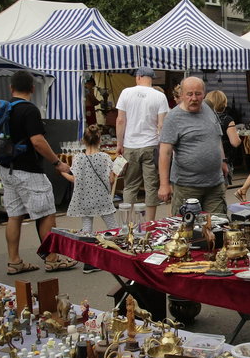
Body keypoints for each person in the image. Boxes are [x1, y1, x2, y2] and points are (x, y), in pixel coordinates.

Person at [0, 71, 78, 275]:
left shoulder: (5, 109)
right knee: (46, 213)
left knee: (14, 215)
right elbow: (37, 141)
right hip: (29, 170)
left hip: (7, 169)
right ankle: (52, 259)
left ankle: (14, 261)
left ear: (11, 88)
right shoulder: (29, 110)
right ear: (33, 89)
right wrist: (57, 162)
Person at [158, 77, 228, 215]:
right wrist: (163, 185)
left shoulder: (208, 108)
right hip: (187, 186)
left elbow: (216, 137)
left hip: (214, 183)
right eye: (189, 94)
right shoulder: (173, 118)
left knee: (218, 226)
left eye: (198, 93)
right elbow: (165, 153)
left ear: (204, 93)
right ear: (182, 95)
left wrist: (223, 161)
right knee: (188, 230)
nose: (194, 98)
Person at [59, 125, 118, 273]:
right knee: (113, 227)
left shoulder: (78, 158)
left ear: (83, 141)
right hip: (102, 197)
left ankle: (88, 262)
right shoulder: (105, 157)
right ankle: (117, 257)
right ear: (99, 140)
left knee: (87, 229)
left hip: (84, 198)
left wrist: (61, 173)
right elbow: (111, 180)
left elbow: (74, 179)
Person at [115, 66, 169, 223]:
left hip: (130, 144)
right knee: (151, 185)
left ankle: (128, 222)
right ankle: (149, 222)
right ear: (151, 78)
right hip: (151, 145)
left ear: (138, 77)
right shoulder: (159, 96)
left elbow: (120, 120)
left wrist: (120, 142)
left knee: (130, 185)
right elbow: (161, 125)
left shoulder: (126, 93)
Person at [204, 90, 242, 185]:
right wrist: (238, 137)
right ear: (224, 103)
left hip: (205, 158)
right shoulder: (227, 119)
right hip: (224, 159)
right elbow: (235, 142)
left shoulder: (203, 118)